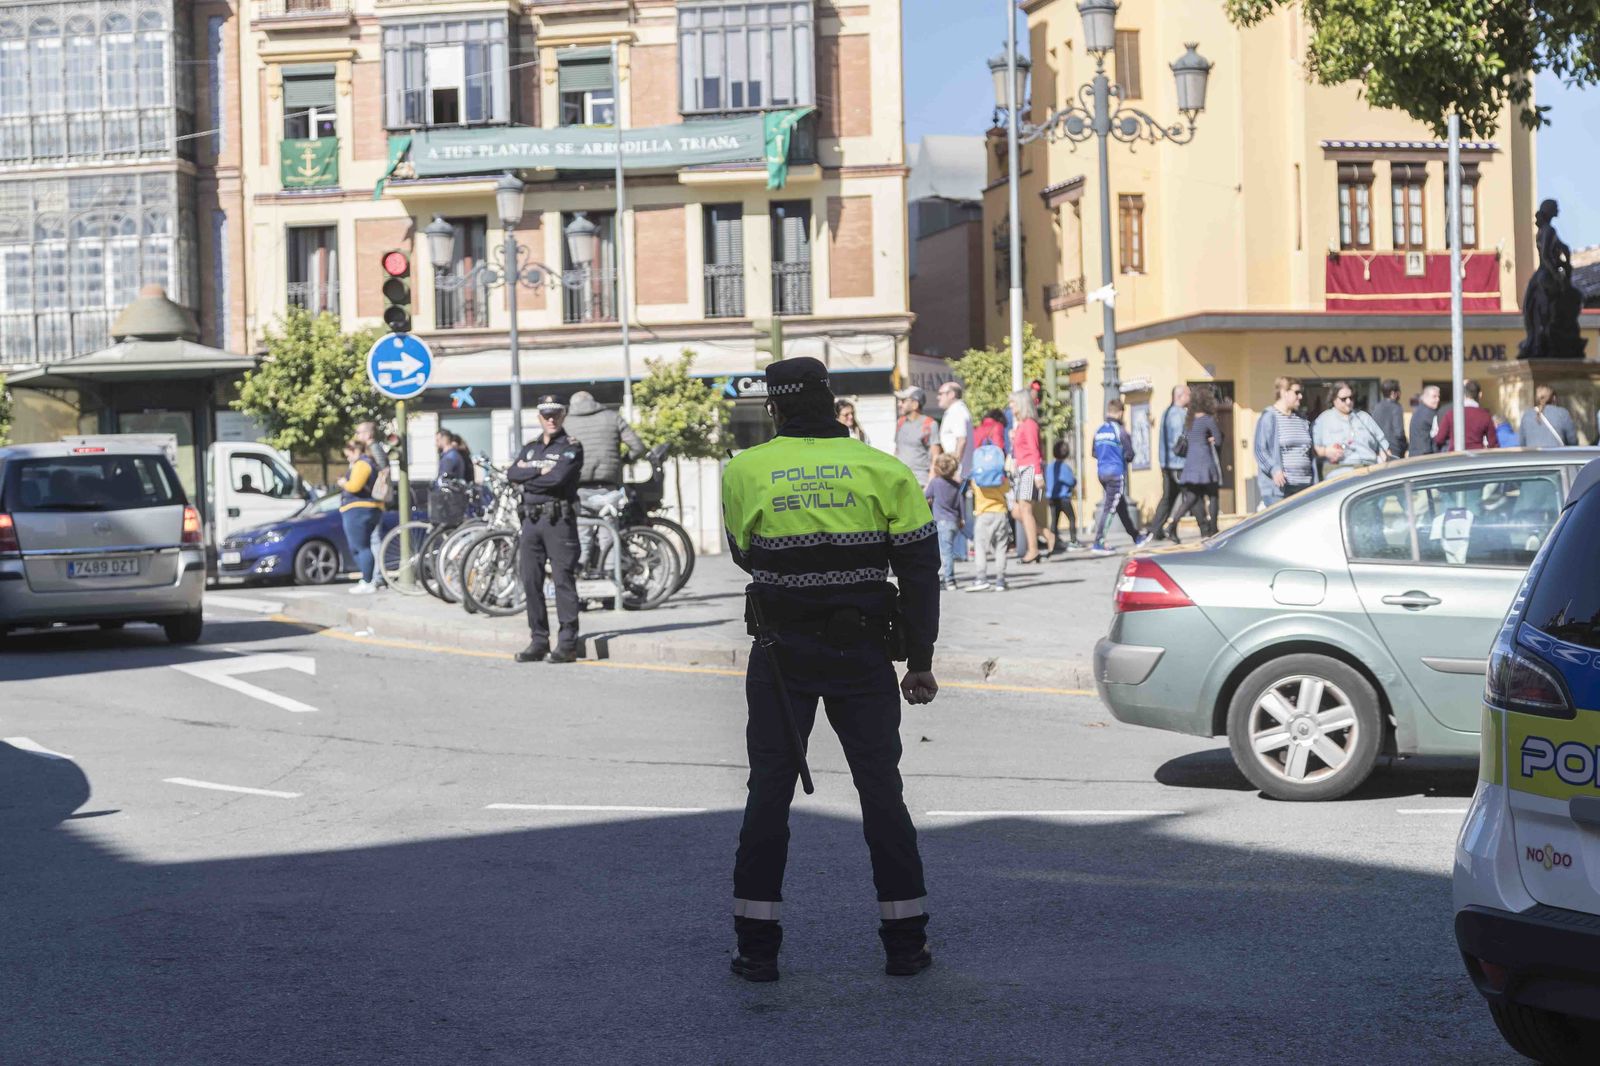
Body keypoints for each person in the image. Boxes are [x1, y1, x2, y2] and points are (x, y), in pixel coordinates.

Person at [721, 356, 939, 982]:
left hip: (781, 658)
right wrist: (918, 662)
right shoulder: (884, 470)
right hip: (864, 655)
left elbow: (744, 553)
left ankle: (757, 951)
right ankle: (905, 946)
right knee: (882, 795)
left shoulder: (746, 470)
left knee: (768, 796)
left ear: (776, 410)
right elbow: (922, 573)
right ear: (833, 405)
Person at [508, 395, 585, 665]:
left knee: (563, 581)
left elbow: (558, 478)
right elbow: (512, 475)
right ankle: (539, 640)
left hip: (558, 521)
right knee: (531, 581)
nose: (551, 419)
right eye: (546, 415)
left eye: (555, 414)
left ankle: (567, 644)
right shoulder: (530, 448)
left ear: (563, 415)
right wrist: (539, 473)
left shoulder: (571, 447)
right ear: (539, 417)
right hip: (530, 521)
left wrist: (531, 475)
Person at [1162, 386, 1223, 539]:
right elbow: (1219, 440)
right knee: (1213, 496)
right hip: (1205, 463)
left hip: (1190, 464)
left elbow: (1190, 439)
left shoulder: (1189, 421)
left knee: (1191, 498)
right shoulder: (1208, 420)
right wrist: (1211, 439)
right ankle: (1214, 529)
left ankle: (1172, 524)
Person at [1089, 399, 1145, 556]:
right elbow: (1130, 454)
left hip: (1102, 473)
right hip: (1116, 473)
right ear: (1120, 412)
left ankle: (1136, 536)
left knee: (1120, 506)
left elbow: (1094, 452)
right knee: (1110, 508)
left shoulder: (1099, 430)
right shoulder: (1120, 430)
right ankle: (1098, 542)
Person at [1253, 376, 1317, 508]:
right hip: (1280, 490)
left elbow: (1309, 451)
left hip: (1304, 485)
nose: (1300, 396)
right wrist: (1274, 469)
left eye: (1301, 393)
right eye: (1296, 392)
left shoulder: (1301, 419)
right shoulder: (1270, 417)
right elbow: (1260, 450)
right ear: (1283, 392)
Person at [336, 439, 383, 595]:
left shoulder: (362, 464)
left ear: (355, 451)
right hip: (369, 509)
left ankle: (368, 581)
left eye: (348, 455)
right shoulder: (369, 463)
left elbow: (354, 486)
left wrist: (343, 482)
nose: (348, 458)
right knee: (362, 546)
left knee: (360, 547)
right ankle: (368, 579)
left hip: (359, 509)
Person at [1008, 388, 1050, 562]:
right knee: (1017, 511)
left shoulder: (1030, 424)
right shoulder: (1022, 424)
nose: (1010, 406)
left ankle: (1033, 550)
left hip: (1030, 470)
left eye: (1013, 403)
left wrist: (1038, 475)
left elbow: (1034, 451)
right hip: (1022, 470)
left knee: (1024, 509)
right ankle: (1047, 534)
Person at [1313, 382, 1391, 474]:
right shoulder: (1324, 419)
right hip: (1338, 470)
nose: (1348, 402)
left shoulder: (1364, 418)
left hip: (1367, 469)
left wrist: (1384, 454)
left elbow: (1382, 443)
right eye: (1343, 399)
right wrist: (1326, 452)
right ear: (1333, 399)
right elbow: (1315, 448)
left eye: (1351, 398)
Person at [966, 443, 1010, 592]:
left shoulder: (976, 480)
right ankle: (1000, 580)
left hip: (982, 515)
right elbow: (1007, 489)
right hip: (1000, 513)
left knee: (980, 547)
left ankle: (981, 578)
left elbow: (972, 488)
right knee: (1001, 547)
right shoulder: (1001, 480)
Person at [1149, 385, 1190, 540]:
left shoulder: (1167, 412)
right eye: (1188, 394)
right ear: (1180, 396)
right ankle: (1206, 527)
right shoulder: (1177, 415)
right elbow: (1179, 442)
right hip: (1177, 464)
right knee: (1192, 496)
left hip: (1167, 463)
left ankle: (1156, 528)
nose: (1190, 398)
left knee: (1169, 497)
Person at [355, 421, 392, 588]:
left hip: (375, 501)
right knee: (374, 539)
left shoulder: (374, 448)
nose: (357, 436)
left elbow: (384, 468)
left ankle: (377, 577)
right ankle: (377, 577)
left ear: (368, 434)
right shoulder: (373, 448)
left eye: (359, 432)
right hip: (375, 501)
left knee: (374, 540)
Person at [925, 453, 962, 591]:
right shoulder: (956, 485)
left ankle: (949, 579)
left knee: (945, 552)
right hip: (954, 521)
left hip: (941, 522)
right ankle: (948, 577)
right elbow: (960, 503)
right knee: (948, 550)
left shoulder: (935, 483)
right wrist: (961, 518)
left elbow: (925, 496)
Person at [893, 386, 941, 486]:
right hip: (901, 480)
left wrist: (930, 484)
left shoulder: (929, 424)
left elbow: (935, 456)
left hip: (920, 482)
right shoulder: (900, 423)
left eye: (903, 401)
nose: (899, 404)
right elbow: (897, 450)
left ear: (915, 404)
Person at [1433, 380, 1500, 451]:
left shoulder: (1451, 414)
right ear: (1480, 395)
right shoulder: (1485, 416)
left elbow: (1439, 439)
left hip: (1455, 456)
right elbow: (1493, 443)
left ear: (1464, 394)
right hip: (1476, 456)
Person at [1046, 440, 1082, 550]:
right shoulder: (1064, 467)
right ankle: (1073, 540)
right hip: (1063, 498)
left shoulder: (1049, 467)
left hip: (1051, 498)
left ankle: (1053, 541)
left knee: (1054, 521)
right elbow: (1071, 481)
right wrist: (1074, 481)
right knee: (1071, 518)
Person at [1372, 379, 1408, 459]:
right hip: (1394, 449)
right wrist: (1406, 447)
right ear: (1393, 393)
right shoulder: (1396, 407)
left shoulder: (1377, 407)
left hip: (1379, 449)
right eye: (1399, 391)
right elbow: (1399, 432)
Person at [1409, 386, 1442, 458]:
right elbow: (1439, 435)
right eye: (1434, 397)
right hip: (1425, 455)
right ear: (1426, 397)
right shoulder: (1429, 413)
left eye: (1438, 397)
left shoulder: (1419, 410)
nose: (1438, 399)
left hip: (1415, 454)